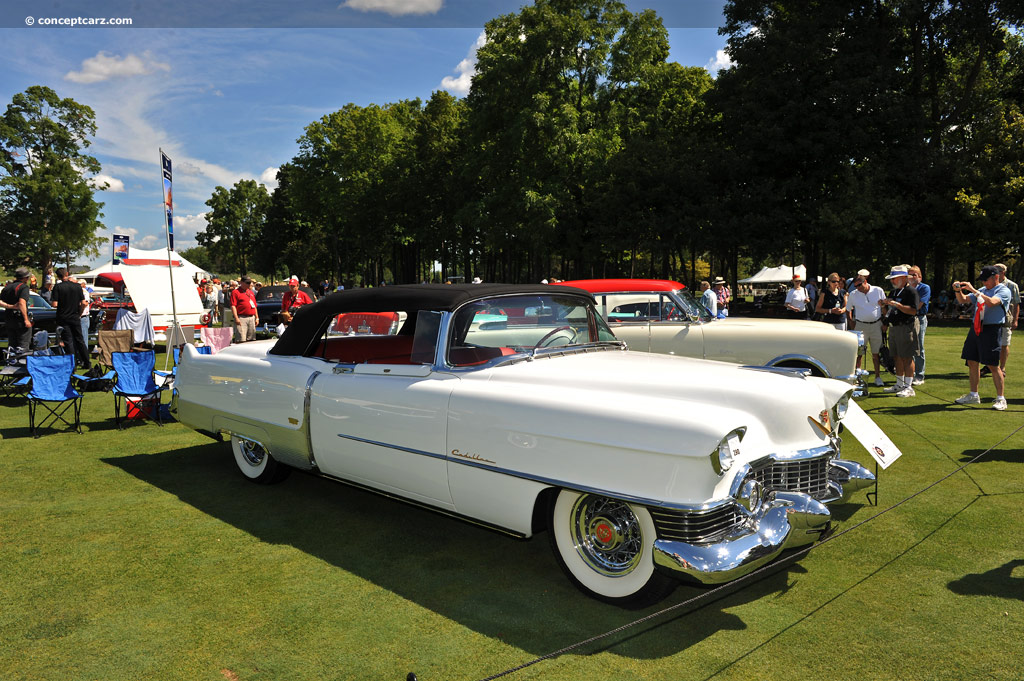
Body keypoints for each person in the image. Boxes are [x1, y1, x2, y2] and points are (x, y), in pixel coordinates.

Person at [953, 265, 1011, 410]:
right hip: (976, 328)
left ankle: (1001, 399)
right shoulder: (983, 290)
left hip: (991, 329)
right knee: (972, 361)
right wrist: (957, 290)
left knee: (992, 364)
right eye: (982, 280)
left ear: (996, 277)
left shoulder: (1003, 290)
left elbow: (991, 302)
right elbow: (964, 300)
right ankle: (973, 395)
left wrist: (974, 290)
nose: (984, 283)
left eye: (986, 280)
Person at [880, 265, 920, 397]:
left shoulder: (911, 292)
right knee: (896, 356)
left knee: (907, 357)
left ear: (903, 278)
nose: (892, 281)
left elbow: (913, 310)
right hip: (894, 326)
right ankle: (899, 384)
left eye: (894, 279)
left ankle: (909, 387)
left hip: (906, 326)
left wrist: (897, 305)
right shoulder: (894, 292)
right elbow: (889, 311)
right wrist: (884, 305)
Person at [847, 272, 887, 387]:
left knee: (876, 353)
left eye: (859, 285)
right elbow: (848, 309)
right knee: (859, 353)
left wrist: (885, 323)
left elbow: (884, 308)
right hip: (860, 325)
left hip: (876, 324)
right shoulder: (854, 294)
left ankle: (877, 377)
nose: (857, 288)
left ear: (865, 282)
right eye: (855, 286)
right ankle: (858, 377)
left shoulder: (878, 290)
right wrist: (851, 322)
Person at [51, 268, 91, 369]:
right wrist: (79, 313)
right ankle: (86, 362)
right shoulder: (77, 287)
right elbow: (83, 303)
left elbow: (54, 304)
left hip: (63, 317)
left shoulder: (58, 287)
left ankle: (72, 364)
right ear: (67, 274)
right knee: (79, 339)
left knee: (68, 341)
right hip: (75, 316)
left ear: (58, 277)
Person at [992, 263, 1019, 376]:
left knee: (1004, 344)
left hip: (1006, 319)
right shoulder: (991, 283)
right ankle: (991, 366)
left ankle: (1002, 368)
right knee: (991, 344)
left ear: (1002, 272)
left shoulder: (1012, 285)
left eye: (995, 271)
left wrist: (1015, 320)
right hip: (992, 319)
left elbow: (1016, 304)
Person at [1, 267, 33, 354]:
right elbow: (22, 303)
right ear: (25, 278)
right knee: (22, 345)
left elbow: (0, 302)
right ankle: (20, 363)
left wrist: (10, 306)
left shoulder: (7, 287)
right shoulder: (23, 287)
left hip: (8, 318)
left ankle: (11, 362)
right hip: (19, 319)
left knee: (12, 344)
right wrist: (26, 319)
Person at [907, 265, 930, 385]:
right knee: (907, 347)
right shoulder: (905, 288)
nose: (911, 277)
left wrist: (906, 309)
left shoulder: (924, 288)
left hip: (919, 319)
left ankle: (919, 375)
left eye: (914, 274)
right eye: (909, 274)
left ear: (919, 277)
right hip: (907, 319)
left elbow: (919, 305)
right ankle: (909, 373)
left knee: (919, 347)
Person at [230, 276, 259, 342]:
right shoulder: (235, 292)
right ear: (242, 283)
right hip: (241, 317)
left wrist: (257, 317)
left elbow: (254, 306)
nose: (249, 284)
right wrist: (236, 318)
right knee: (241, 338)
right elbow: (233, 306)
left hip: (252, 317)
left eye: (250, 283)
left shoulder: (251, 292)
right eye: (247, 283)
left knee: (252, 338)